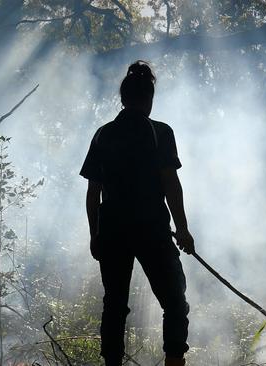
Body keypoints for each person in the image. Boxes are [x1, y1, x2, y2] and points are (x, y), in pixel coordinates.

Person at [80, 60, 195, 366]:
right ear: (149, 99)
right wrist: (182, 229)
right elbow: (171, 184)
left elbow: (93, 193)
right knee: (174, 302)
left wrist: (95, 235)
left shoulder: (103, 135)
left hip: (113, 231)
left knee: (114, 305)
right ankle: (174, 361)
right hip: (152, 231)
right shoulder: (160, 132)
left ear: (123, 98)